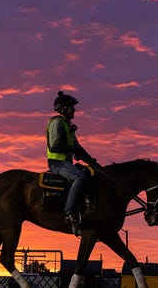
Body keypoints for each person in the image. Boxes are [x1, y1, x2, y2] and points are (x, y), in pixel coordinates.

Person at [46, 91, 100, 235]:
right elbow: (54, 146)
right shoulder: (57, 123)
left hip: (65, 163)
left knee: (90, 175)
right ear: (63, 108)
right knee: (80, 177)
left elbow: (78, 149)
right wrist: (73, 150)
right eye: (71, 107)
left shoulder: (67, 125)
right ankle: (70, 213)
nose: (74, 110)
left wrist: (93, 162)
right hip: (57, 163)